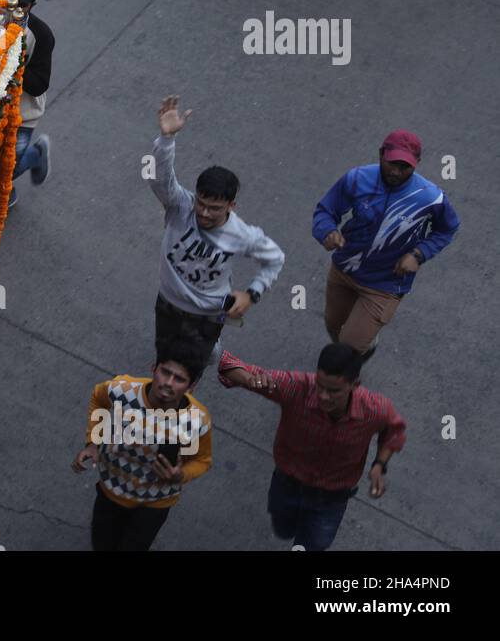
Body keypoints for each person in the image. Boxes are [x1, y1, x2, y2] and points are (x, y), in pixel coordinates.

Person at [218, 344, 406, 551]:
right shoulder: (297, 387)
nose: (324, 396)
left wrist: (379, 465)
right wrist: (249, 380)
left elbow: (394, 431)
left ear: (355, 384)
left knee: (315, 545)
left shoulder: (375, 409)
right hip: (286, 485)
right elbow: (228, 364)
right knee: (282, 529)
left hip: (331, 500)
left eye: (334, 391)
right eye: (320, 386)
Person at [149, 95, 284, 359]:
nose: (203, 212)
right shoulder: (180, 206)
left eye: (214, 208)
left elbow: (275, 260)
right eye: (201, 203)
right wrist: (166, 140)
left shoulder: (242, 234)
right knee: (165, 356)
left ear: (231, 205)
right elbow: (160, 180)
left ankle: (207, 354)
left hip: (207, 315)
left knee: (190, 367)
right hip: (167, 302)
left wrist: (252, 294)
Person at [312, 130, 460, 360]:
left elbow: (447, 228)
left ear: (416, 165)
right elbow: (326, 211)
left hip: (385, 283)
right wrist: (327, 231)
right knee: (334, 326)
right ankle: (365, 342)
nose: (396, 172)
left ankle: (348, 381)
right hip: (344, 269)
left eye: (405, 167)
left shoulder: (430, 197)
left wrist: (419, 254)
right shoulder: (357, 179)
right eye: (392, 163)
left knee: (347, 350)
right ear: (381, 154)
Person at [71, 339, 213, 551]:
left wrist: (180, 475)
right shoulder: (122, 391)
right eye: (165, 372)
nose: (169, 383)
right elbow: (98, 399)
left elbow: (202, 461)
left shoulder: (196, 420)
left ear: (191, 387)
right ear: (153, 369)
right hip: (110, 492)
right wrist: (93, 442)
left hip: (155, 504)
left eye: (179, 379)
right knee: (102, 544)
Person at [2, 0, 55, 208]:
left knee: (8, 167)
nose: (14, 9)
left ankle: (35, 156)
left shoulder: (42, 35)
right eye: (9, 1)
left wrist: (12, 67)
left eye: (22, 5)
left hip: (23, 114)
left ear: (32, 5)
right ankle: (4, 188)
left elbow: (40, 83)